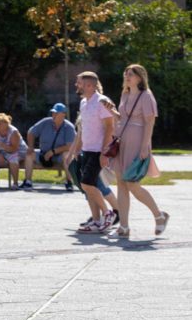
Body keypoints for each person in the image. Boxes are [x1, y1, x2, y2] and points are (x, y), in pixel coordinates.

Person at [107, 64, 169, 239]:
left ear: (140, 78)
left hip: (137, 141)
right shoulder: (125, 94)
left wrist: (145, 146)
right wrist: (110, 111)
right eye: (125, 73)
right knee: (121, 184)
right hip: (122, 140)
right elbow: (122, 118)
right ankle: (124, 227)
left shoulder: (146, 96)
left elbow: (149, 122)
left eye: (131, 74)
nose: (127, 76)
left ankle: (159, 215)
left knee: (132, 184)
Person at [64, 72, 116, 234]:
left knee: (87, 184)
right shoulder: (84, 103)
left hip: (97, 151)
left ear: (90, 85)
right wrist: (76, 150)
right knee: (88, 187)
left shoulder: (102, 101)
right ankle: (95, 221)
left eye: (78, 83)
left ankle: (108, 214)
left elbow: (110, 126)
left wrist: (104, 152)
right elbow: (83, 130)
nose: (76, 85)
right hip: (86, 150)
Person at [21, 103, 76, 191]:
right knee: (29, 154)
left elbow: (70, 146)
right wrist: (30, 146)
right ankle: (28, 182)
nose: (53, 115)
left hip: (59, 156)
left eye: (56, 113)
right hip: (43, 153)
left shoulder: (69, 127)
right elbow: (31, 132)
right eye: (53, 113)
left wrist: (53, 152)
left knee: (67, 155)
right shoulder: (45, 122)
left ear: (63, 115)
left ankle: (69, 182)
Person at [0, 113, 26, 189]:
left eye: (0, 124)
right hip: (1, 151)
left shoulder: (14, 132)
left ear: (7, 124)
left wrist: (3, 146)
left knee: (13, 158)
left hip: (17, 151)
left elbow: (14, 149)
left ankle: (15, 183)